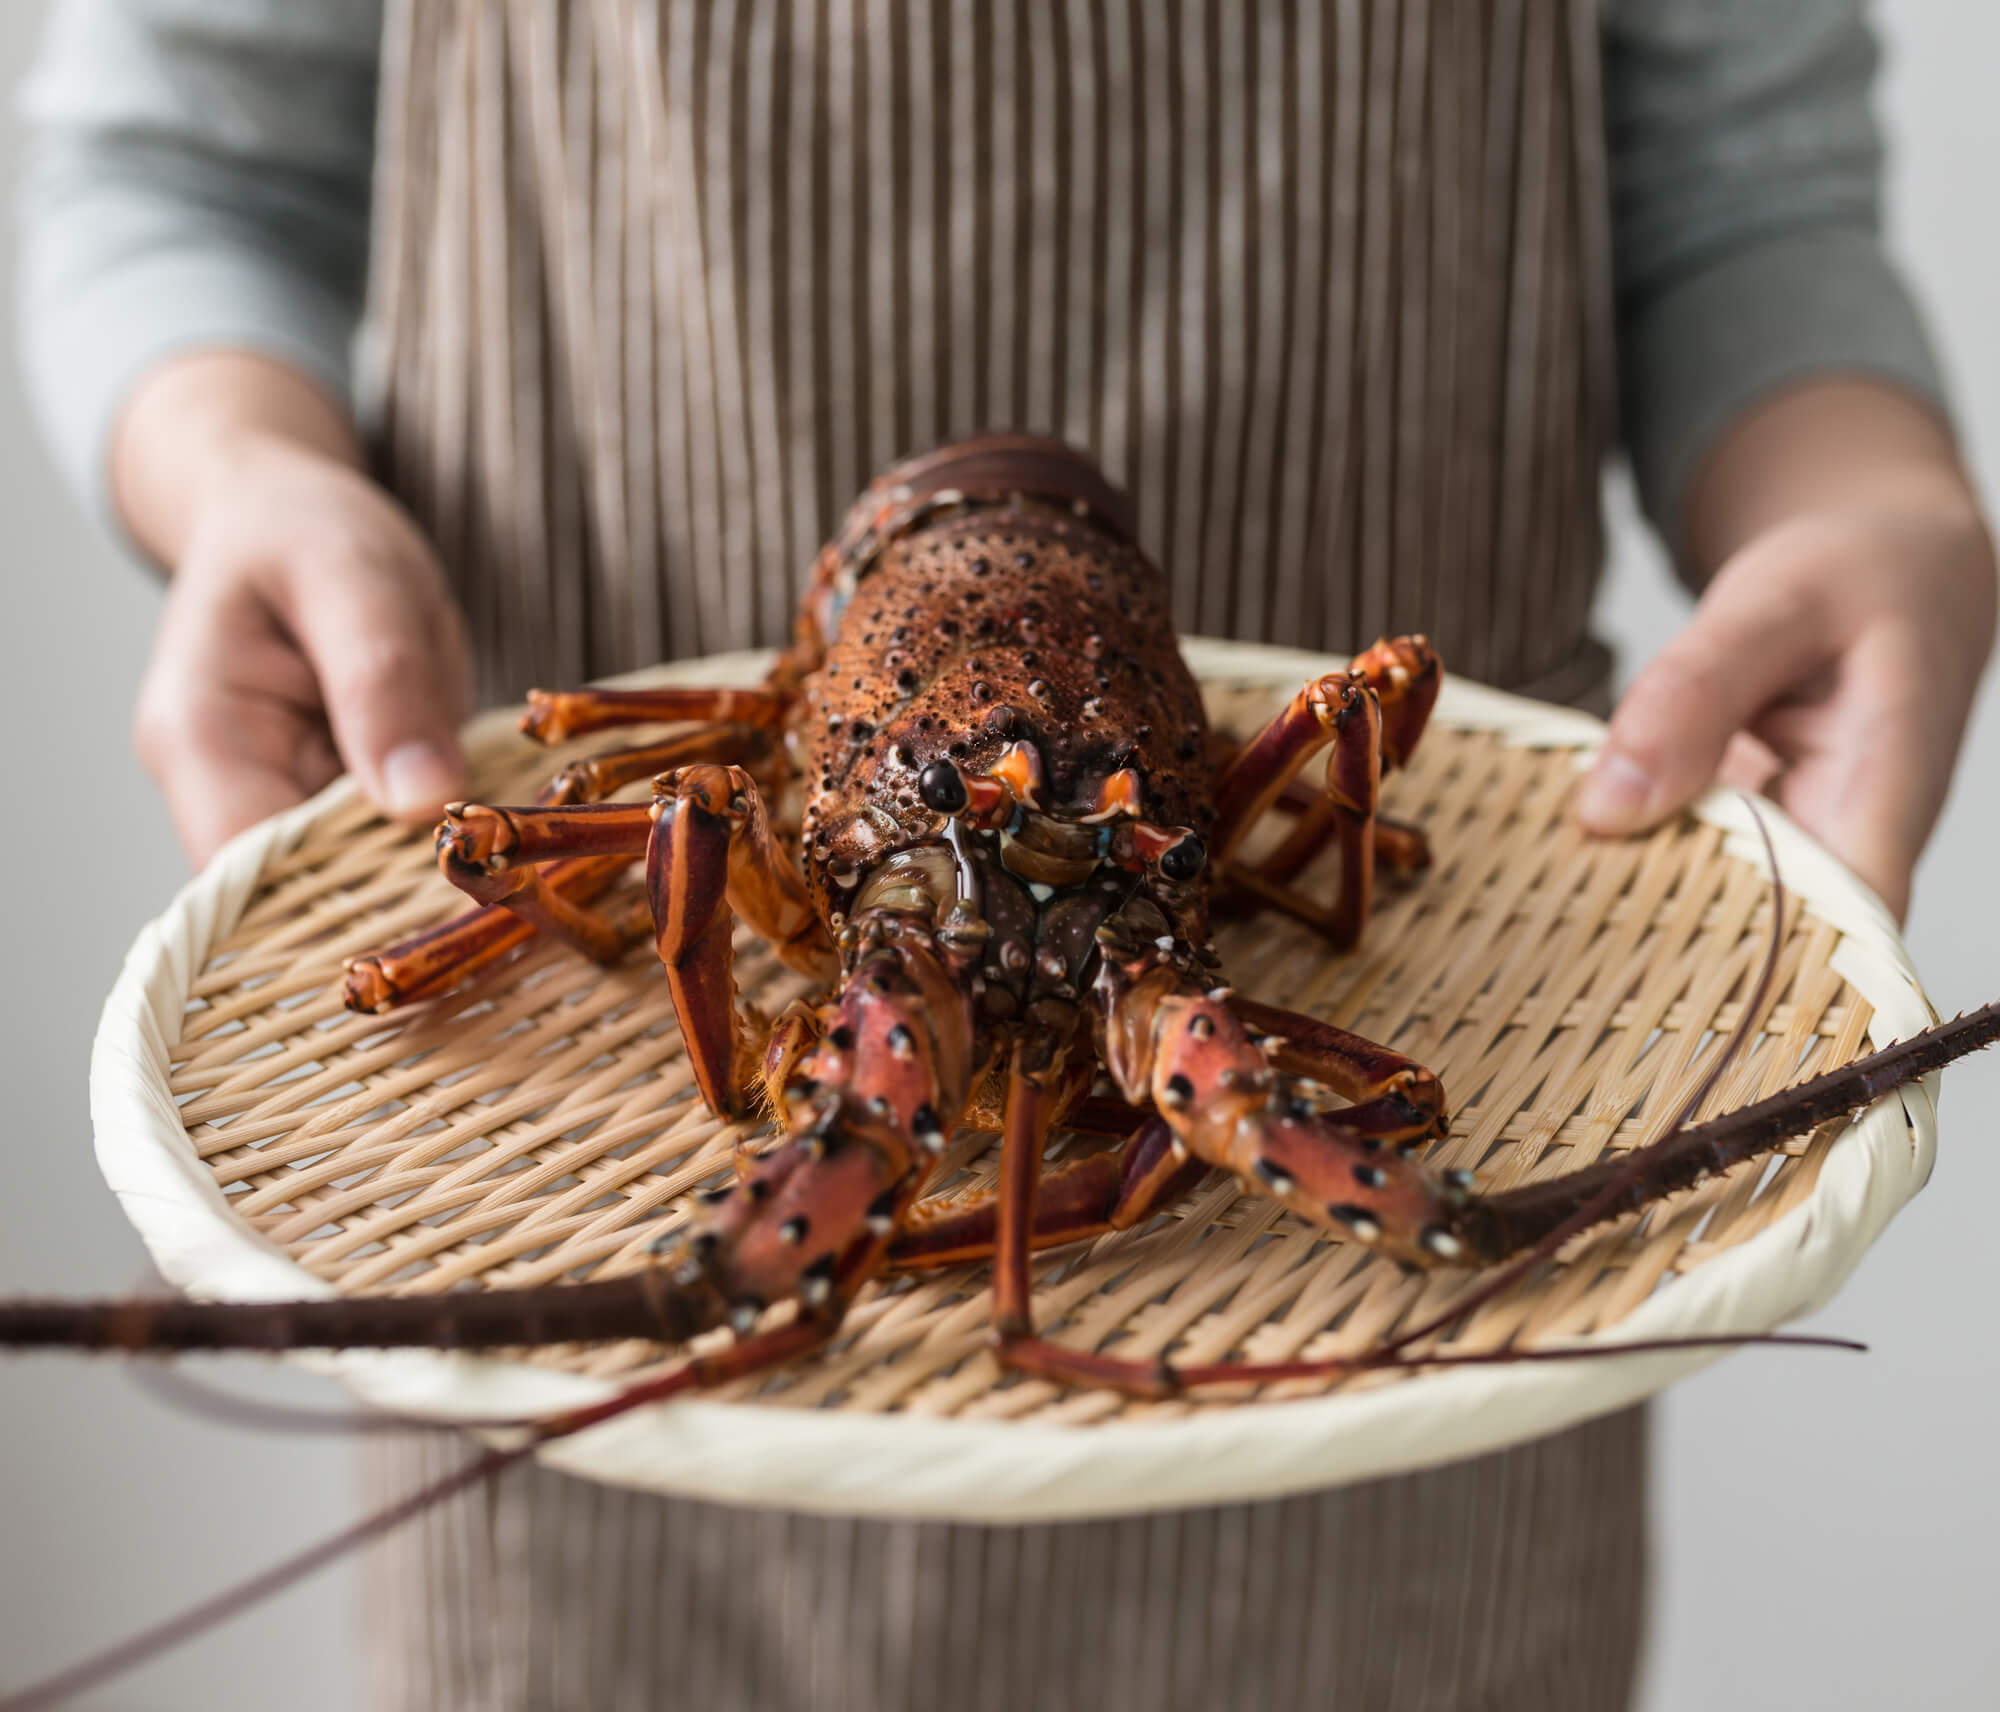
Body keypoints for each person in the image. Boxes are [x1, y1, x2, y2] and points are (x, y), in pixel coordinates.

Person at [17, 1, 1995, 1707]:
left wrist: (1873, 491)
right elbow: (183, 171)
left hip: (1394, 1496)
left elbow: (1745, 196)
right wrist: (247, 473)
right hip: (619, 1524)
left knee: (1448, 1273)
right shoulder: (767, 817)